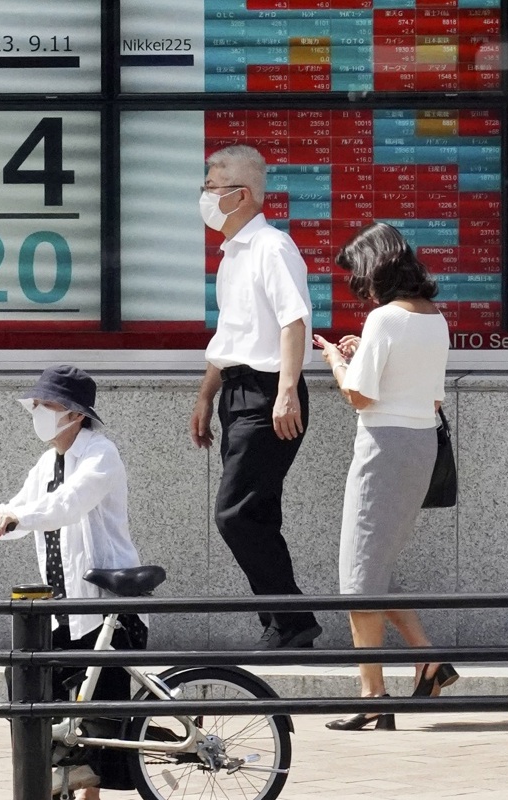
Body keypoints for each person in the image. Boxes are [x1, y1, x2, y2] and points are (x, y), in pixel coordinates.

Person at [0, 365, 144, 799]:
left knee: (97, 723)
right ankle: (67, 779)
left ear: (77, 414)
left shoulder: (101, 454)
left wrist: (21, 516)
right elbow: (15, 509)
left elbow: (67, 504)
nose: (40, 412)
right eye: (37, 405)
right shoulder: (49, 462)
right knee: (48, 707)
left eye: (50, 405)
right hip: (61, 607)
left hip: (101, 604)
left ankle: (81, 780)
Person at [312, 223, 457, 731]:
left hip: (383, 447)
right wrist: (360, 359)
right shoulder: (434, 318)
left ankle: (373, 696)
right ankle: (429, 659)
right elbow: (428, 394)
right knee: (373, 567)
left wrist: (335, 359)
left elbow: (359, 396)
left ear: (376, 268)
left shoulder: (383, 320)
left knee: (358, 577)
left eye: (359, 276)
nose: (360, 287)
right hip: (417, 445)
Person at [189, 144, 321, 649]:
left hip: (269, 394)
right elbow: (231, 336)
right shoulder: (233, 255)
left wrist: (287, 391)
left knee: (235, 513)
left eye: (211, 187)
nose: (204, 196)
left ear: (239, 195)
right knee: (258, 513)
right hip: (238, 392)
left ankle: (293, 620)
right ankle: (283, 623)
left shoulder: (271, 246)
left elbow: (295, 321)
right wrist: (205, 396)